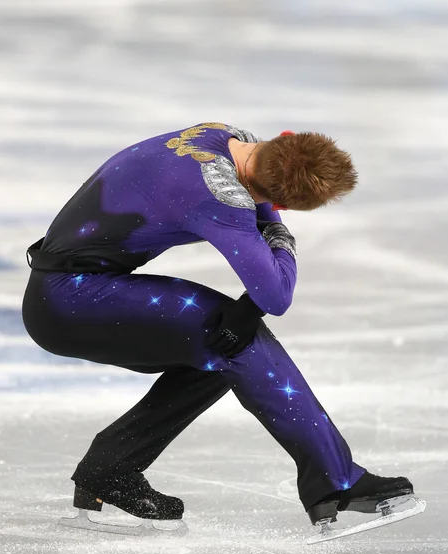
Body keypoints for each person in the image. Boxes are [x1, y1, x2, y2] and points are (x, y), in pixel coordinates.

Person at [22, 122, 415, 533]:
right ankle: (336, 482)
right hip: (71, 302)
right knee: (237, 341)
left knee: (219, 343)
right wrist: (278, 231)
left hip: (68, 288)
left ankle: (110, 469)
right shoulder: (220, 197)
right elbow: (276, 295)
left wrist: (263, 211)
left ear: (283, 138)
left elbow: (258, 239)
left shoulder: (227, 135)